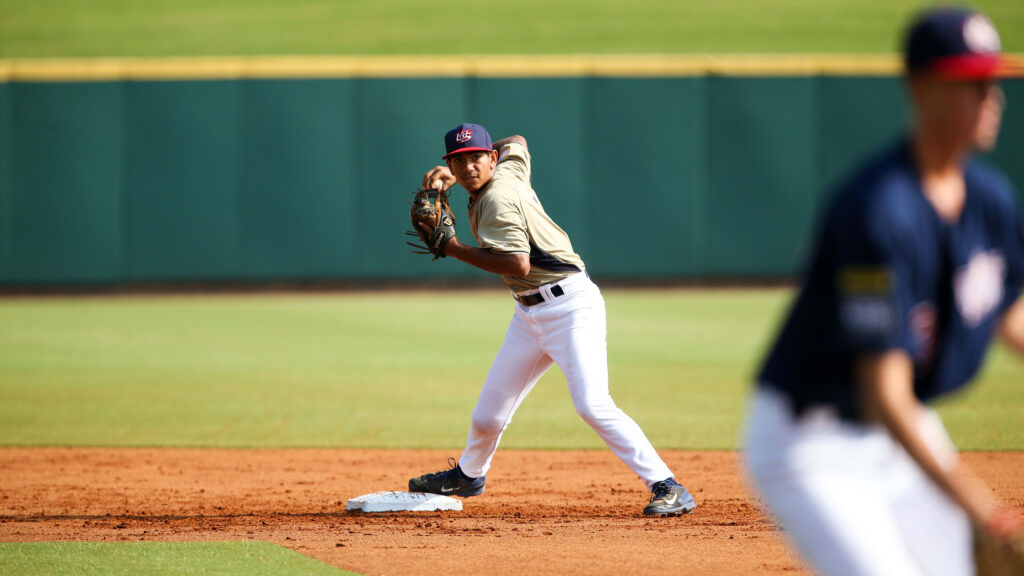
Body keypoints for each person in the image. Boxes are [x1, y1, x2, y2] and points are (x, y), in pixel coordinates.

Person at [743, 7, 1024, 575]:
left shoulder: (990, 199)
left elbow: (1011, 315)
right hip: (811, 444)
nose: (989, 95)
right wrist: (984, 512)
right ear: (920, 87)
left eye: (992, 80)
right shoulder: (877, 210)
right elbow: (885, 395)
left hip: (900, 430)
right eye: (969, 82)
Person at [407, 122, 696, 516]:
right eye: (460, 161)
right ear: (452, 167)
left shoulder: (497, 200)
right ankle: (469, 474)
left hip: (570, 307)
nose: (470, 166)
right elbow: (519, 142)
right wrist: (461, 176)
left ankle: (667, 485)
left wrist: (454, 247)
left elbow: (517, 264)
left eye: (477, 157)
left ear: (490, 159)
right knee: (488, 414)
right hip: (528, 314)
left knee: (592, 404)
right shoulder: (508, 167)